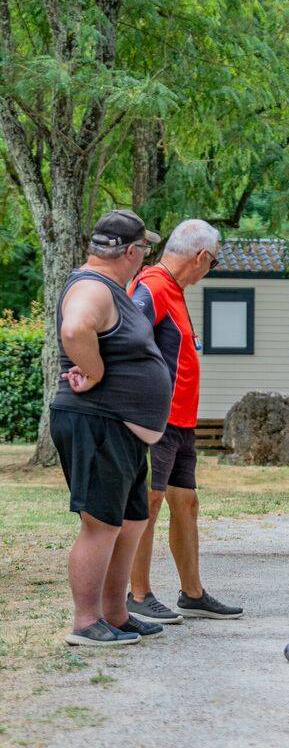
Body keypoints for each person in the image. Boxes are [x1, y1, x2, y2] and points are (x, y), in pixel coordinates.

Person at [52, 209, 173, 646]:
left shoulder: (110, 286)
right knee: (101, 522)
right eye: (144, 248)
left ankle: (116, 614)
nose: (145, 257)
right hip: (98, 420)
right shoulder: (92, 286)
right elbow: (76, 327)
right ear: (131, 250)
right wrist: (95, 370)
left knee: (130, 520)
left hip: (121, 427)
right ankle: (87, 623)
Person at [126, 220, 243, 623]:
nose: (208, 271)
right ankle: (137, 594)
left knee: (185, 503)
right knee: (149, 502)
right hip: (155, 420)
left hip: (180, 423)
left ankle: (192, 593)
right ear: (201, 257)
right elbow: (125, 338)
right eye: (212, 263)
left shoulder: (173, 290)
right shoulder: (154, 286)